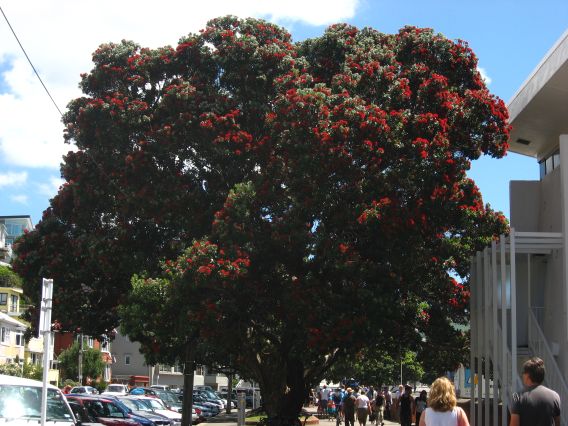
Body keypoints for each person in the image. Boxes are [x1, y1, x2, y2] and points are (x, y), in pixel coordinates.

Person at [510, 357, 561, 426]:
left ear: (527, 376)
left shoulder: (517, 396)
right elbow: (557, 423)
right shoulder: (555, 396)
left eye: (523, 372)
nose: (522, 375)